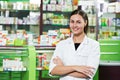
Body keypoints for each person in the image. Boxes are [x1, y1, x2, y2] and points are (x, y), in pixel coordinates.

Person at [49, 9, 100, 80]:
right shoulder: (61, 44)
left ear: (85, 23)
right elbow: (53, 71)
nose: (74, 25)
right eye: (72, 22)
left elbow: (89, 73)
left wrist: (62, 67)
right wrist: (76, 68)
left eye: (78, 22)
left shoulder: (93, 45)